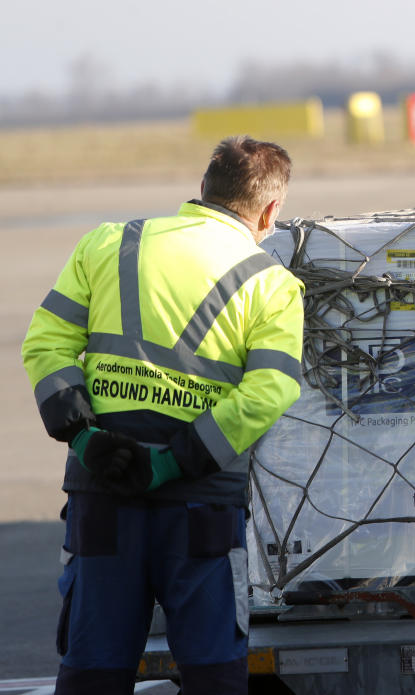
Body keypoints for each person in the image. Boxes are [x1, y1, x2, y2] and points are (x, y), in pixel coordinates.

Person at [21, 135, 305, 694]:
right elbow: (270, 390)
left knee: (94, 667)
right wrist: (175, 462)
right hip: (200, 500)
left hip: (104, 487)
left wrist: (86, 441)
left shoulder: (108, 242)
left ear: (201, 190)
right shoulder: (272, 284)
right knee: (212, 671)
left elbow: (45, 345)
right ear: (271, 211)